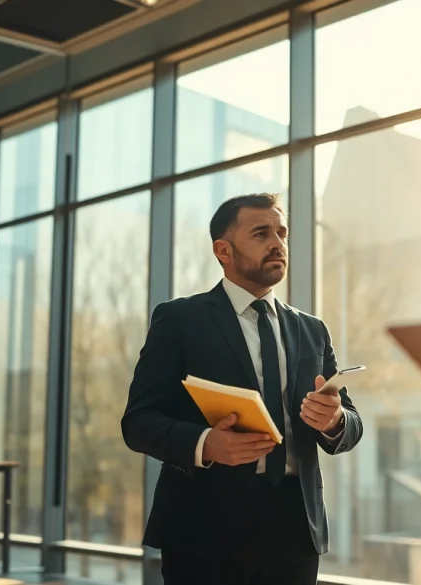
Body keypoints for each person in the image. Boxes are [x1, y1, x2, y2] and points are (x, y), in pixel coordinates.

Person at [122, 193, 363, 585]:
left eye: (282, 233)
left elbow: (351, 425)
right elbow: (138, 422)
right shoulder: (179, 320)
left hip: (295, 531)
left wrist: (334, 420)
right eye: (261, 233)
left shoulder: (312, 330)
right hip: (202, 529)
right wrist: (205, 444)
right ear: (224, 250)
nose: (278, 243)